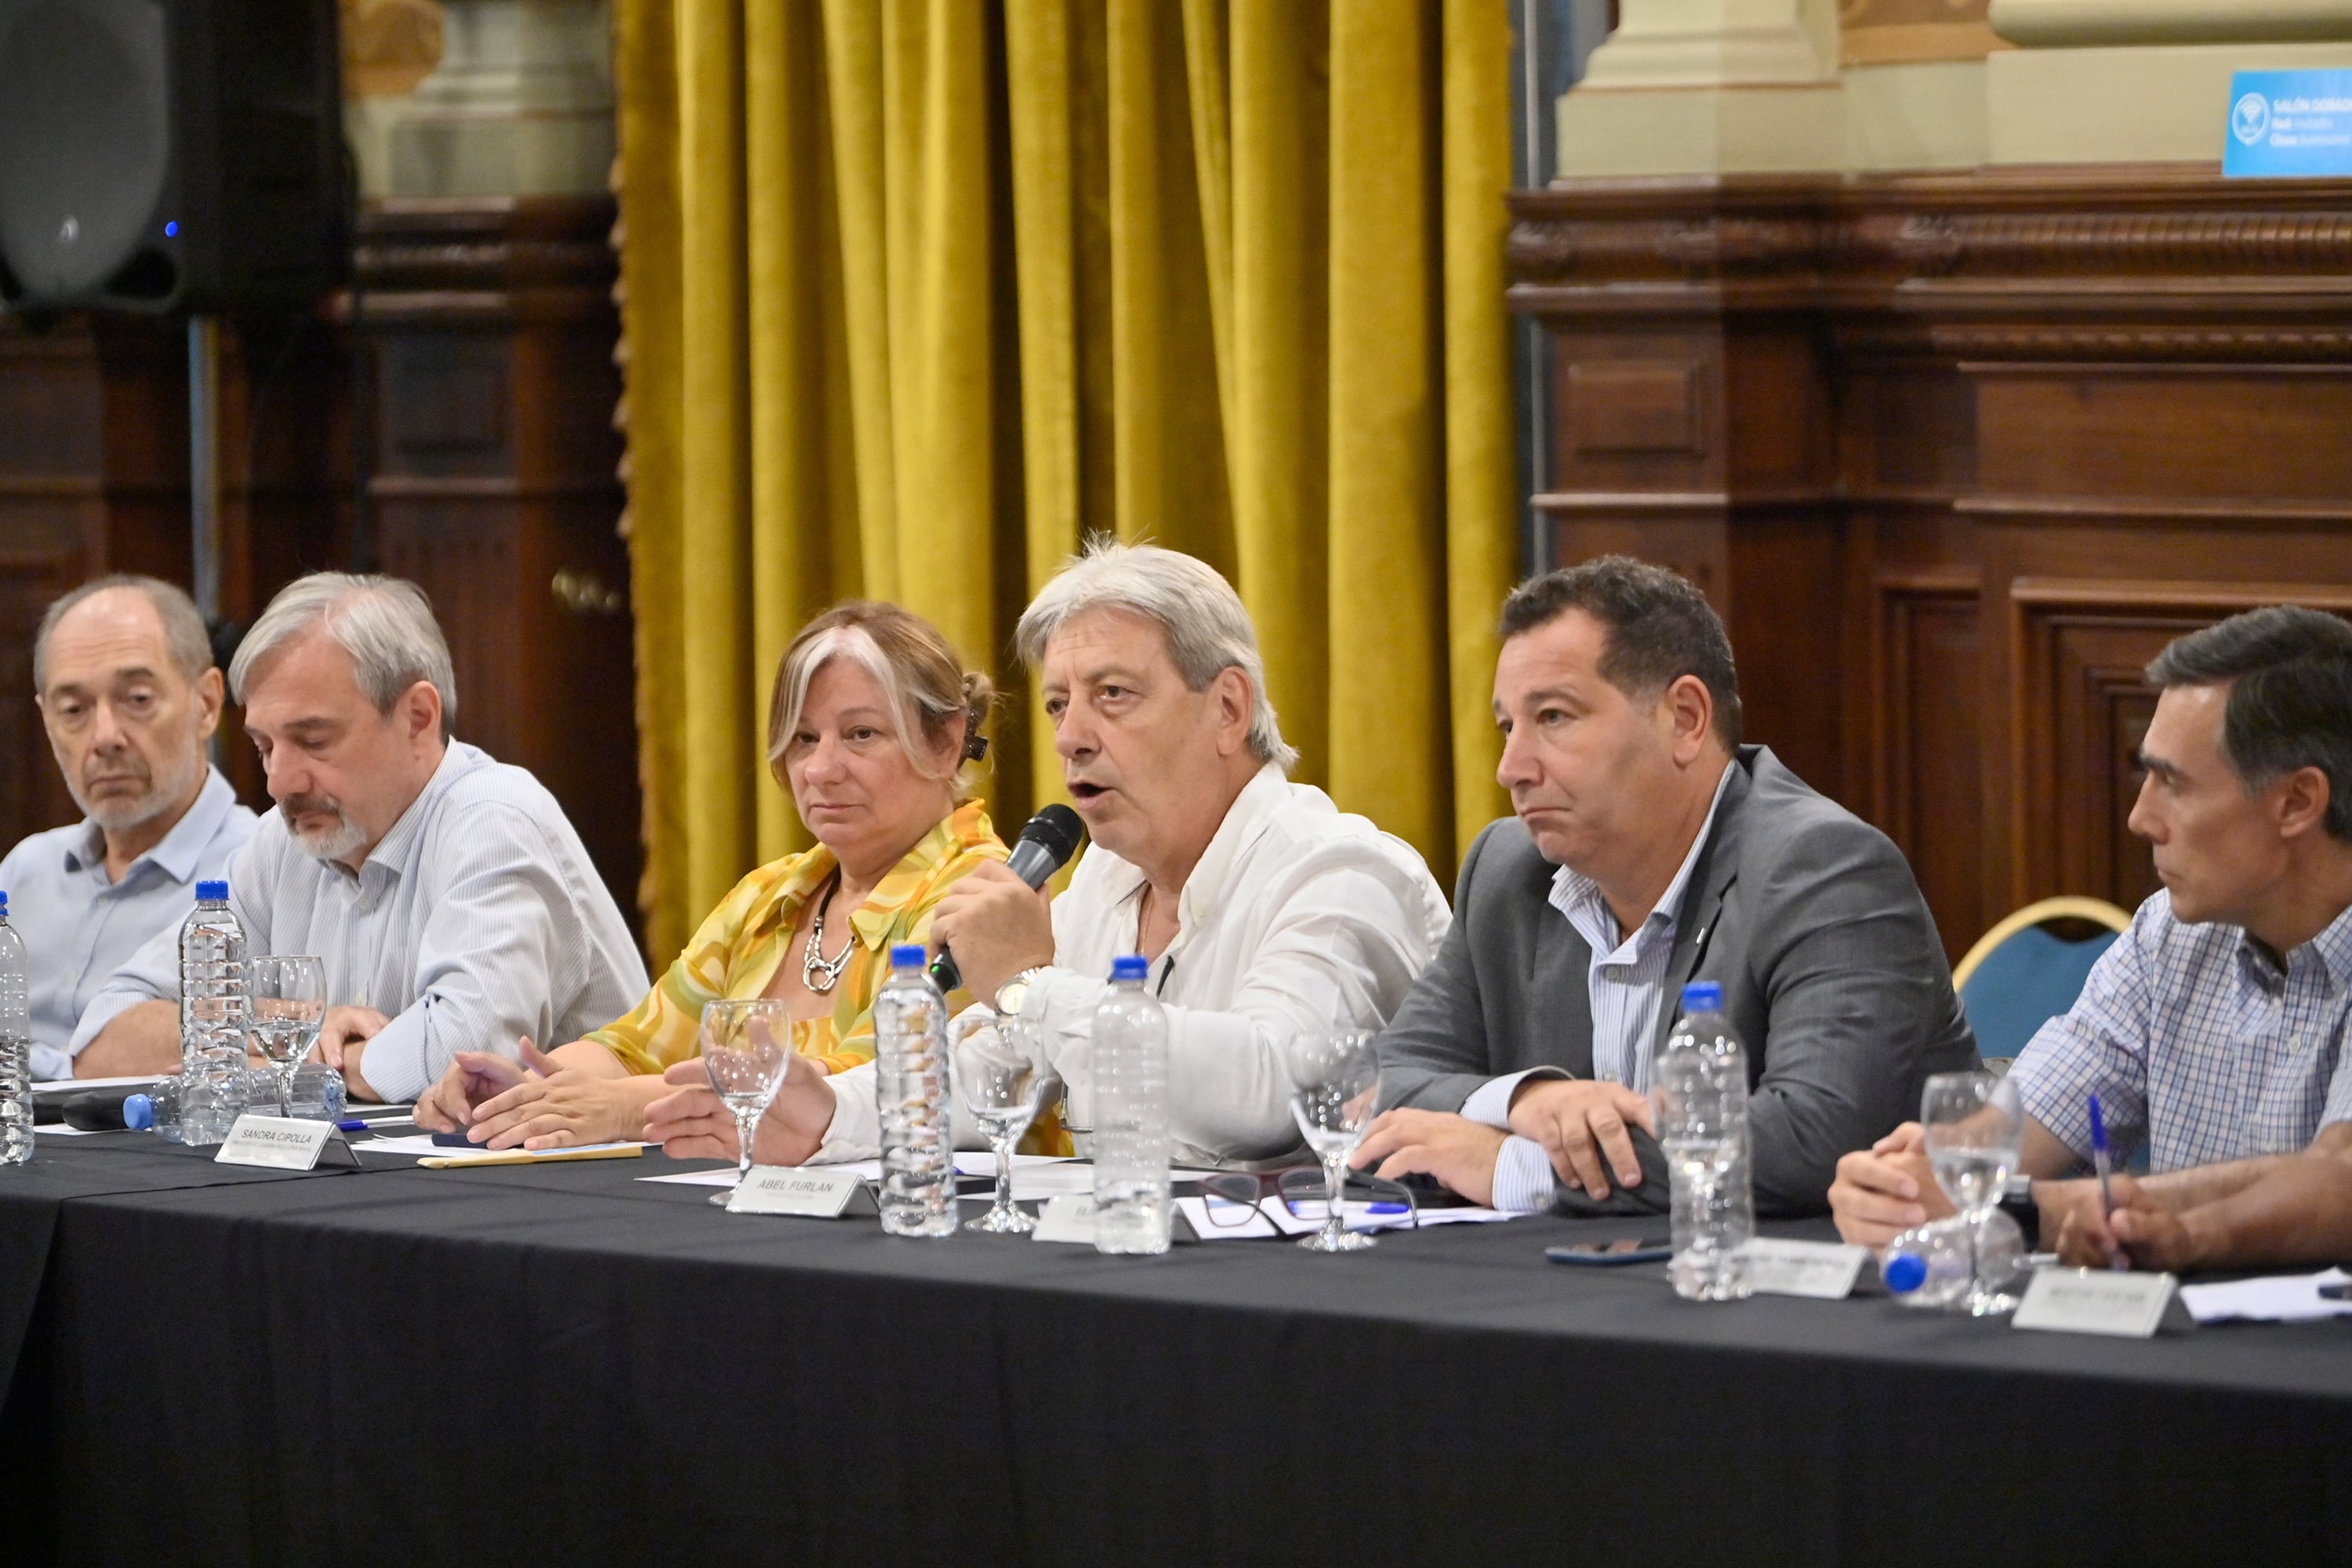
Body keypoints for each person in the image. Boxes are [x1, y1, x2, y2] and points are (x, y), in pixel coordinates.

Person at [644, 542, 1451, 1169]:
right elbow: (986, 1071)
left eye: (1113, 695)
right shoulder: (1107, 881)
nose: (1071, 736)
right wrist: (826, 1114)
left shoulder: (1339, 872)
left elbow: (1271, 1085)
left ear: (1228, 708)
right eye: (1061, 703)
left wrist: (1029, 985)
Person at [1354, 556, 1977, 1216]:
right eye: (1509, 726)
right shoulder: (1508, 873)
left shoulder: (1827, 869)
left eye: (1555, 718)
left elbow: (1810, 1141)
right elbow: (1384, 1089)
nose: (1512, 767)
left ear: (1684, 719)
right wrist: (1527, 1101)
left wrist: (1514, 1163)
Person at [1830, 605, 2352, 1264]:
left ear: (2298, 802)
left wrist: (2019, 1212)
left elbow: (2340, 1180)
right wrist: (1916, 1180)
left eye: (2174, 783)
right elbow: (2027, 1120)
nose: (2141, 817)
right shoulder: (2168, 934)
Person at [412, 601, 1008, 1149]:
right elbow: (636, 1047)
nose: (821, 769)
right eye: (804, 738)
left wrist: (623, 1110)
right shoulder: (769, 894)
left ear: (945, 743)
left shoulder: (984, 894)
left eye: (860, 734)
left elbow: (859, 1091)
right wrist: (523, 1089)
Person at [68, 572, 647, 1101]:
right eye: (264, 746)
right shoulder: (282, 843)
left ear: (418, 717)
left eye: (314, 741)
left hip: (552, 1194)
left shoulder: (494, 818)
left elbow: (464, 1056)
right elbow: (104, 1038)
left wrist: (280, 1065)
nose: (279, 782)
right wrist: (293, 1028)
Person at [0, 577, 257, 1080]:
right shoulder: (26, 871)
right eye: (73, 710)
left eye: (137, 699)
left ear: (206, 704)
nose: (105, 737)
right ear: (46, 719)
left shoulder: (257, 870)